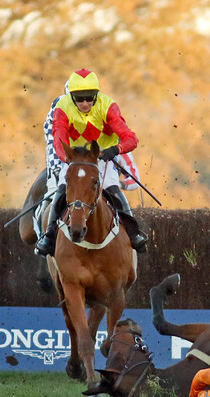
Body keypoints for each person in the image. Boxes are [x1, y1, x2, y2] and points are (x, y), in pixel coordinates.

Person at [35, 68, 148, 256]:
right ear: (71, 97)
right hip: (74, 160)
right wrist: (69, 158)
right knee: (62, 189)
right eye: (79, 98)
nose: (85, 103)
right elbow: (59, 139)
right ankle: (49, 236)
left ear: (97, 95)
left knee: (112, 188)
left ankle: (134, 233)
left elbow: (130, 138)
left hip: (100, 158)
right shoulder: (62, 107)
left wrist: (114, 150)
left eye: (89, 97)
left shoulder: (109, 106)